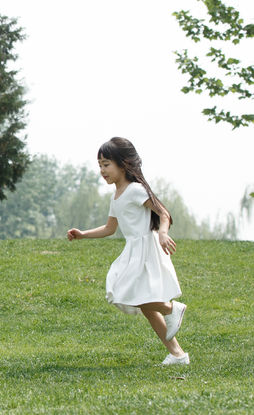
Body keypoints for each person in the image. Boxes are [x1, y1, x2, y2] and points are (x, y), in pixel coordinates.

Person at [66, 137, 189, 365]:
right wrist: (83, 234)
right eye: (100, 165)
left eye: (106, 164)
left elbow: (163, 212)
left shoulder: (135, 190)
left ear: (123, 164)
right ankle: (178, 355)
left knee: (128, 294)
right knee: (142, 302)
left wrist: (162, 233)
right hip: (133, 249)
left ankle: (172, 309)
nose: (102, 170)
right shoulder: (116, 195)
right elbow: (110, 228)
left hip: (146, 248)